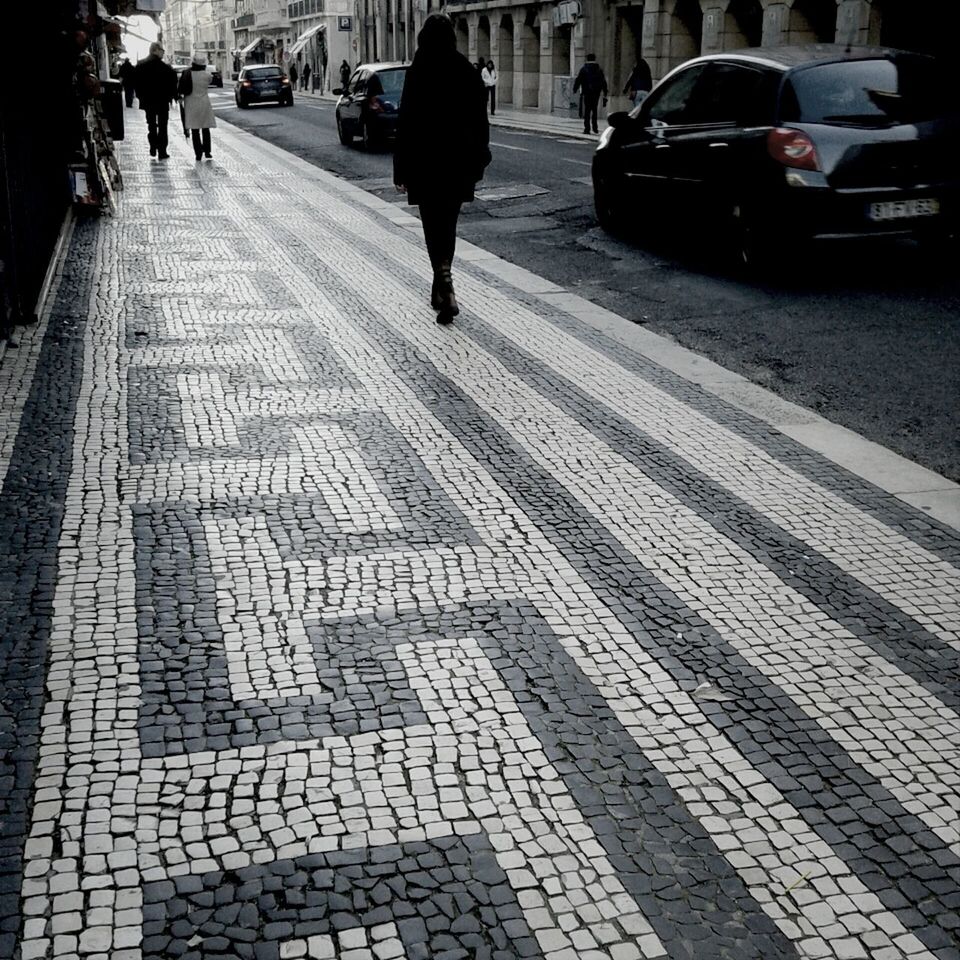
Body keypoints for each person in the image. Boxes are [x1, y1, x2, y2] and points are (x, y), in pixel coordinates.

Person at [394, 14, 490, 324]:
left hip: (425, 163)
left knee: (431, 226)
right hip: (458, 163)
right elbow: (480, 120)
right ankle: (442, 286)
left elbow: (405, 122)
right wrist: (480, 157)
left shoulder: (418, 71)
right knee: (448, 225)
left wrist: (401, 169)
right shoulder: (465, 70)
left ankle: (444, 284)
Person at [135, 42, 177, 159]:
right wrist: (172, 97)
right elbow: (173, 85)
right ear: (156, 50)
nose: (163, 52)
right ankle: (162, 151)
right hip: (162, 101)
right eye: (162, 50)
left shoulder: (141, 65)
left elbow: (136, 84)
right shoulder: (166, 68)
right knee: (163, 126)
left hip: (148, 101)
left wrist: (140, 97)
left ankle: (153, 146)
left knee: (151, 125)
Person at [179, 53, 217, 161]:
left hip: (191, 104)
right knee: (205, 128)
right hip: (204, 104)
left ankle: (198, 153)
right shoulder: (207, 75)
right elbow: (211, 80)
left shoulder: (187, 74)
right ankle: (208, 151)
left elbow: (181, 88)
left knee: (195, 130)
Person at [573, 52, 607, 135]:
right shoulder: (599, 69)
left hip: (587, 92)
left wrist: (575, 89)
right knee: (594, 109)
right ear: (594, 59)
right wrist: (605, 91)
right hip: (596, 92)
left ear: (587, 59)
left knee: (587, 110)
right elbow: (603, 81)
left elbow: (578, 79)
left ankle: (587, 129)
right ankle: (595, 127)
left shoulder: (584, 69)